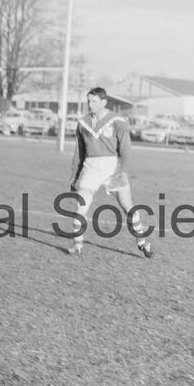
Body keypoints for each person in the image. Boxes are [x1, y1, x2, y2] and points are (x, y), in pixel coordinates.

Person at [67, 87, 153, 258]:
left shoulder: (118, 121)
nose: (90, 104)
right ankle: (77, 245)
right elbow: (79, 153)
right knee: (80, 208)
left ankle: (142, 242)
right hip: (90, 167)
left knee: (128, 208)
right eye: (89, 101)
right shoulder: (83, 123)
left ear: (104, 102)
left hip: (112, 167)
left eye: (94, 101)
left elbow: (126, 149)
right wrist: (74, 176)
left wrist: (122, 171)